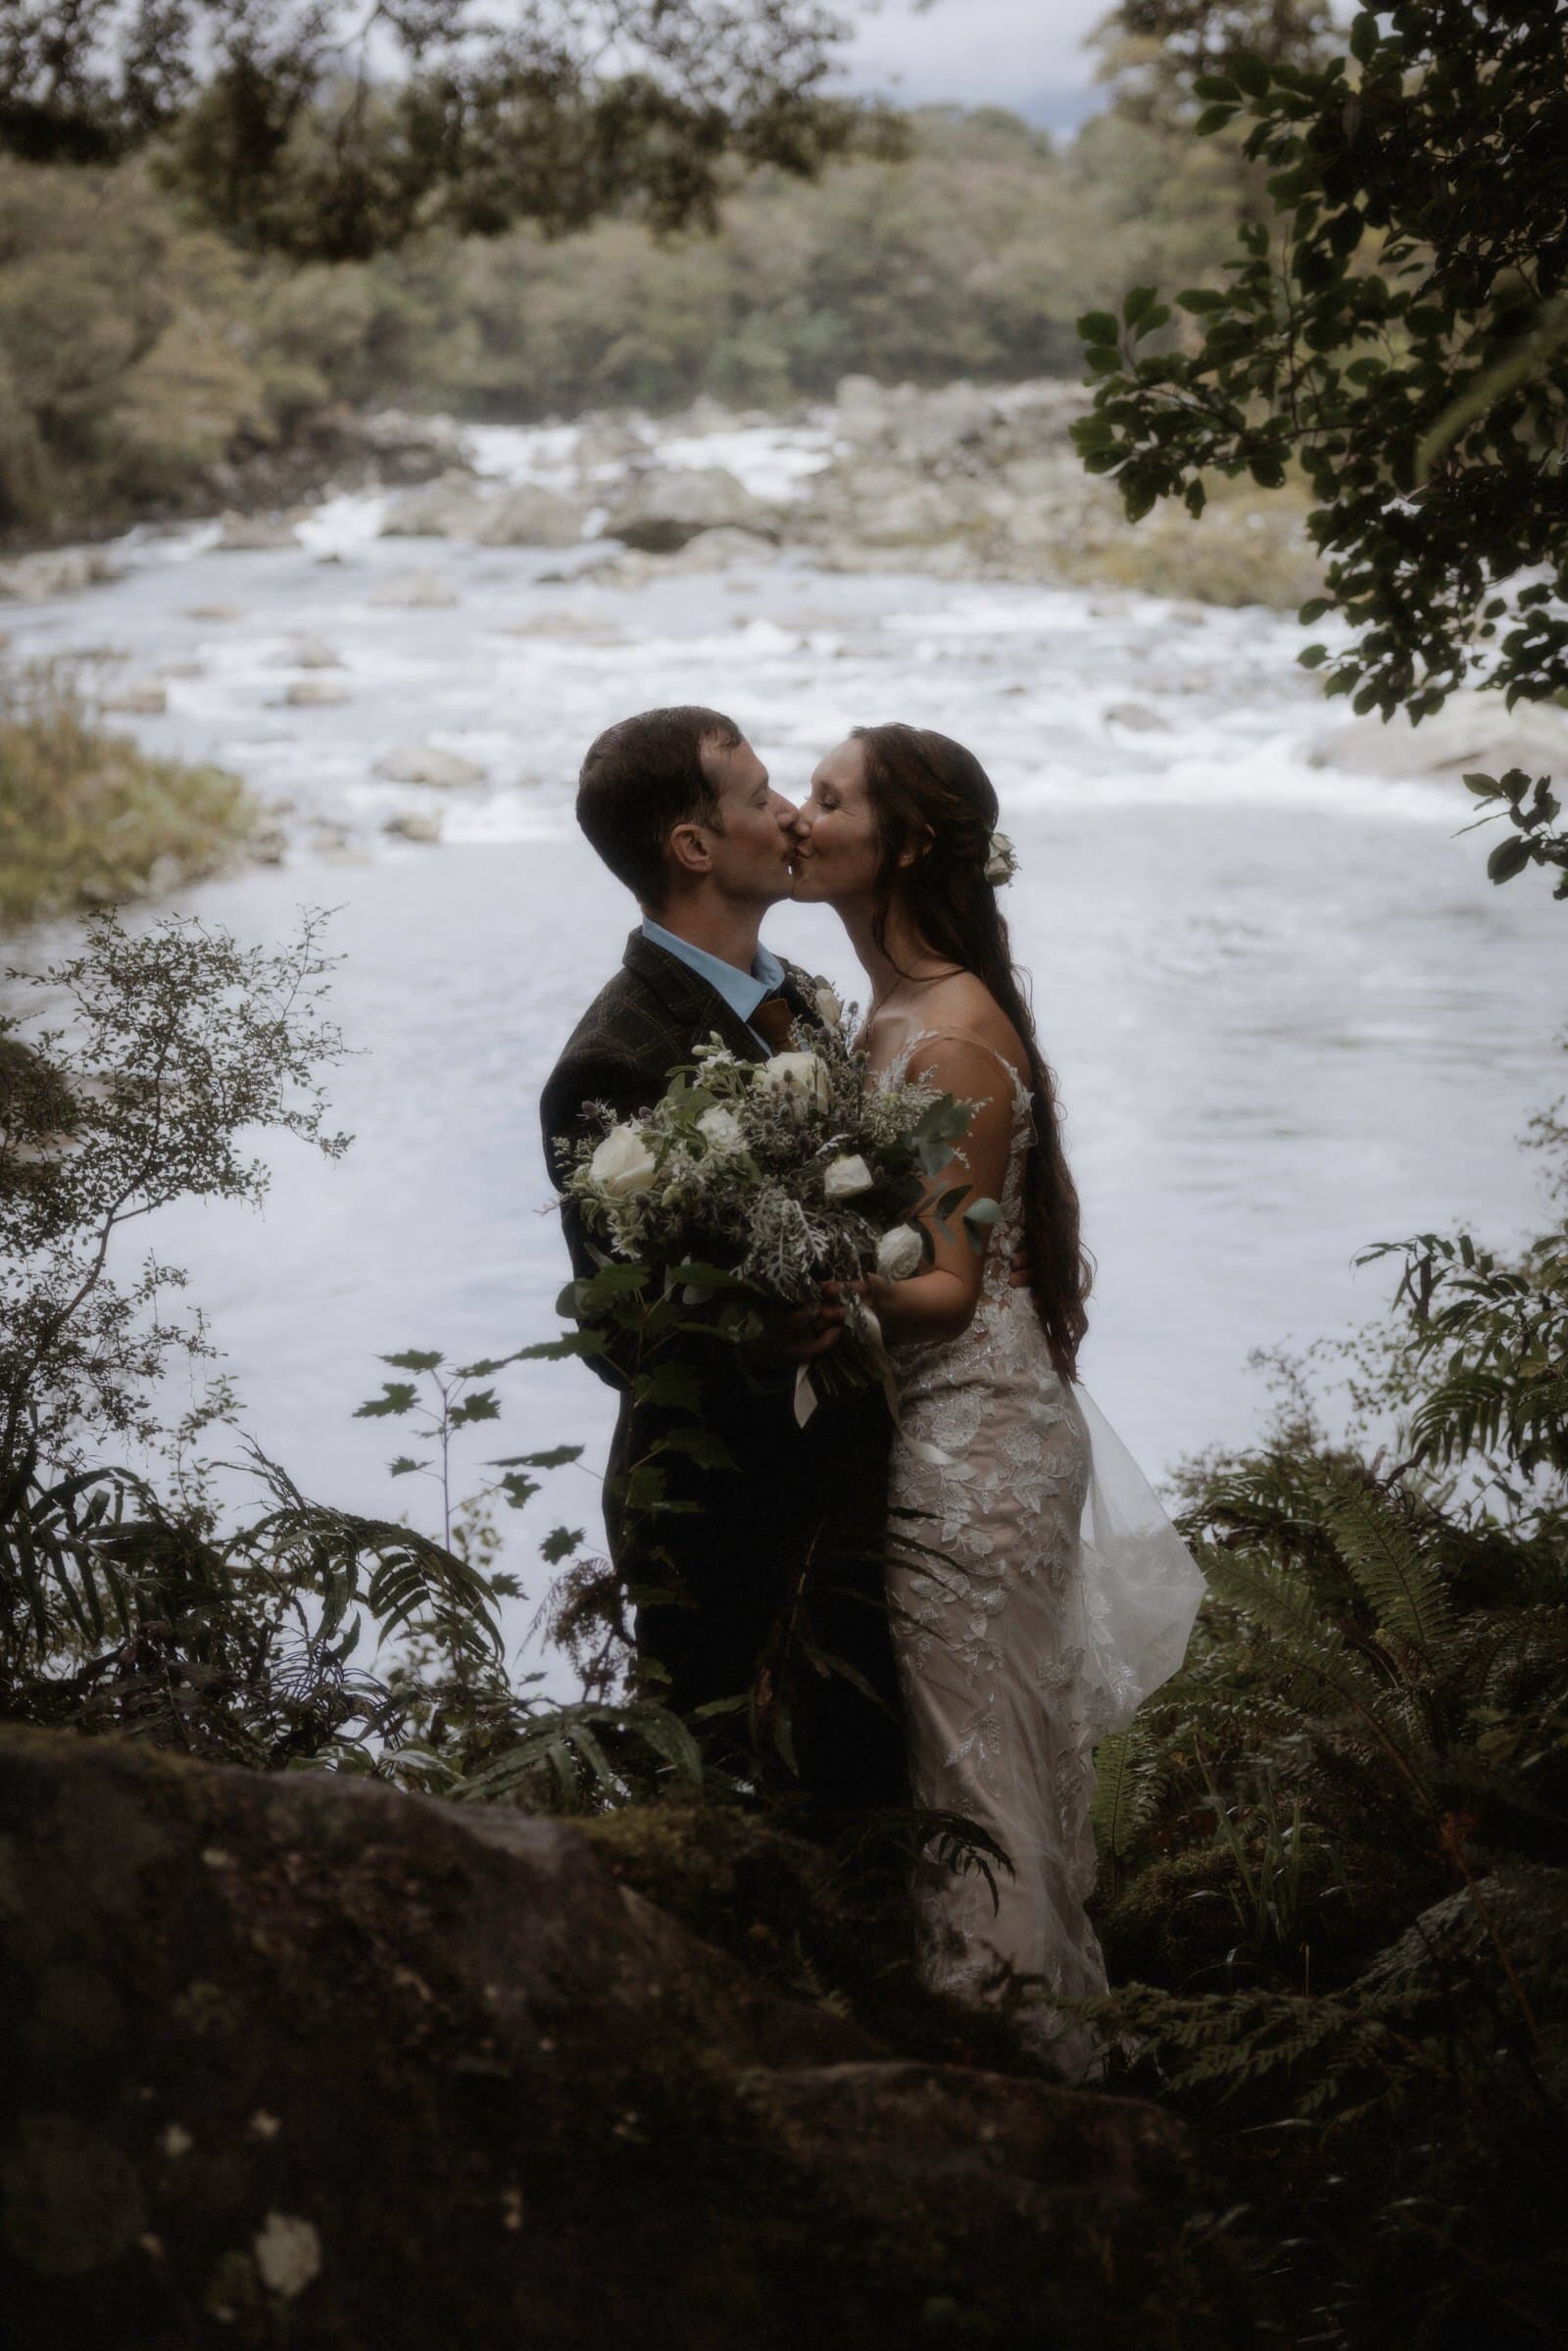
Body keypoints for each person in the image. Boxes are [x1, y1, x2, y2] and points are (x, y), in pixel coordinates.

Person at [791, 721, 1205, 2076]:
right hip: (942, 1427)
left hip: (976, 1441)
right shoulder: (885, 1012)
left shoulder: (955, 1033)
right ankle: (1004, 2047)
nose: (802, 815)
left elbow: (952, 1284)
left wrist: (794, 1280)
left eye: (830, 795)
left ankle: (1020, 2070)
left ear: (905, 842)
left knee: (979, 1776)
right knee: (962, 1773)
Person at [538, 705, 906, 1808]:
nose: (789, 814)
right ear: (693, 846)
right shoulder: (615, 1055)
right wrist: (752, 1339)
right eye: (758, 799)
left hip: (845, 1478)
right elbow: (615, 1325)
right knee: (752, 1816)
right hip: (722, 1517)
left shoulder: (797, 995)